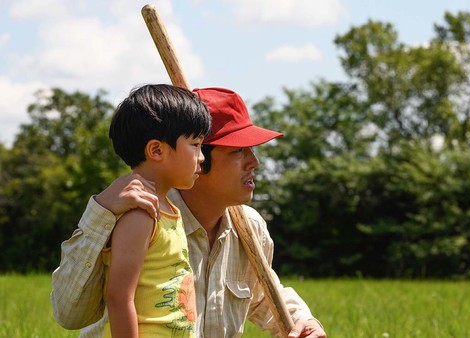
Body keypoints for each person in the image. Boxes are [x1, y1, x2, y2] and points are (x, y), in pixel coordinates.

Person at [51, 87, 327, 338]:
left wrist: (302, 321)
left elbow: (263, 294)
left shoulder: (250, 228)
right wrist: (100, 212)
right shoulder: (137, 212)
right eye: (238, 151)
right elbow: (70, 313)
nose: (254, 162)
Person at [102, 84, 211, 337]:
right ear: (156, 150)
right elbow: (119, 298)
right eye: (195, 145)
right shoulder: (140, 214)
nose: (202, 157)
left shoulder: (169, 209)